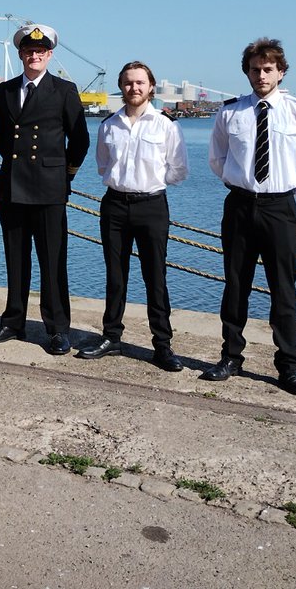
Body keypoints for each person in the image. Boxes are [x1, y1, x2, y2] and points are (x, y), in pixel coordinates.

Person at [202, 38, 296, 396]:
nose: (261, 75)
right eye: (255, 69)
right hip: (240, 206)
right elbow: (217, 159)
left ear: (281, 72)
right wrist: (241, 184)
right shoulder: (230, 113)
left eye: (268, 69)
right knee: (235, 285)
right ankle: (231, 356)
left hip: (280, 210)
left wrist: (287, 190)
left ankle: (288, 366)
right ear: (247, 72)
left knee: (283, 290)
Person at [0, 24, 90, 355]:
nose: (34, 55)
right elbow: (2, 138)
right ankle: (13, 322)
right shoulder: (7, 90)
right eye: (29, 51)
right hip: (12, 187)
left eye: (40, 51)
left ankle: (57, 329)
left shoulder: (65, 90)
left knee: (53, 262)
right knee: (15, 260)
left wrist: (62, 174)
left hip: (49, 190)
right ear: (21, 54)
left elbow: (80, 140)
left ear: (49, 55)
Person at [77, 61, 188, 370]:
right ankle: (111, 337)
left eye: (140, 82)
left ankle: (162, 345)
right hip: (114, 205)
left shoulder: (166, 125)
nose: (134, 88)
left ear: (150, 87)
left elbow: (178, 171)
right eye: (128, 83)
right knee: (115, 276)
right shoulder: (109, 125)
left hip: (151, 206)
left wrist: (148, 182)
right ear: (121, 87)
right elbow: (103, 165)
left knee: (155, 277)